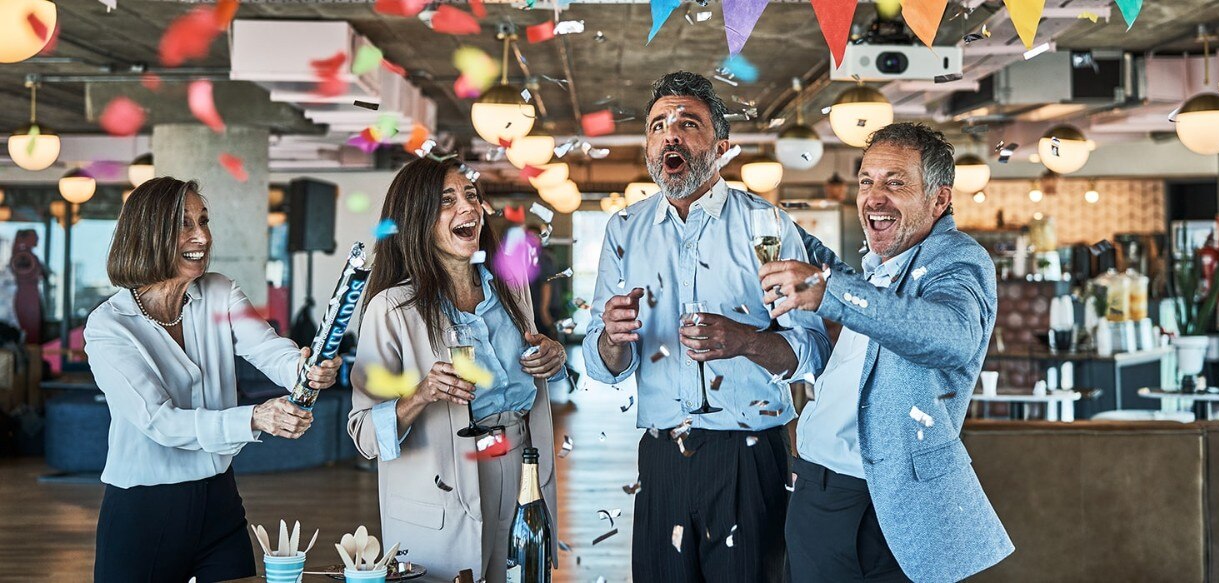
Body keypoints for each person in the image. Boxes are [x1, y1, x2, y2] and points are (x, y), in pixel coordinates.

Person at [583, 71, 831, 583]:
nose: (669, 136)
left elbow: (812, 350)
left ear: (721, 147)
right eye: (658, 126)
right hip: (661, 457)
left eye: (687, 124)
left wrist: (745, 342)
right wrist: (612, 337)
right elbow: (603, 365)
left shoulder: (768, 226)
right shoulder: (623, 230)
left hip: (749, 457)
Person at [759, 123, 1014, 582]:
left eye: (895, 183)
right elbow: (833, 273)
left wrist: (829, 291)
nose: (874, 198)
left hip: (883, 510)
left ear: (939, 199)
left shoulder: (957, 259)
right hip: (814, 494)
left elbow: (952, 336)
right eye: (866, 182)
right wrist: (759, 215)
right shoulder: (881, 266)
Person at [85, 177, 342, 582]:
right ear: (148, 234)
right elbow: (160, 421)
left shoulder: (219, 291)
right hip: (144, 511)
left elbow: (268, 349)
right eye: (184, 224)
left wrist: (304, 369)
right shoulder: (109, 326)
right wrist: (255, 417)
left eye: (203, 221)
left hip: (219, 500)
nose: (202, 236)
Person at [348, 156, 567, 581]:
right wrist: (420, 395)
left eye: (471, 195)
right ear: (416, 219)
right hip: (443, 488)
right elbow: (364, 434)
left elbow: (534, 374)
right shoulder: (391, 309)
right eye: (447, 200)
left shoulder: (512, 288)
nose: (469, 207)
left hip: (522, 467)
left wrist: (554, 358)